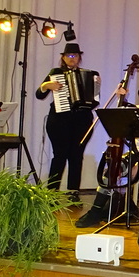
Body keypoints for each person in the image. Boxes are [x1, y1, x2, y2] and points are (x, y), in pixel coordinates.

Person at [77, 81, 139, 228]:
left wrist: (138, 164)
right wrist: (120, 97)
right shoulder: (136, 111)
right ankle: (95, 212)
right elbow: (119, 117)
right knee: (112, 169)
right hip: (137, 155)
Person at [35, 42, 100, 198]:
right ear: (63, 58)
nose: (72, 58)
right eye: (69, 55)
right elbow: (39, 94)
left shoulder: (91, 74)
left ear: (79, 58)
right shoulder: (56, 73)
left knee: (76, 155)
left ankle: (73, 191)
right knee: (60, 155)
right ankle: (51, 192)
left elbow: (95, 101)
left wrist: (96, 88)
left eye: (75, 55)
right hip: (59, 120)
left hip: (82, 120)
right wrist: (46, 85)